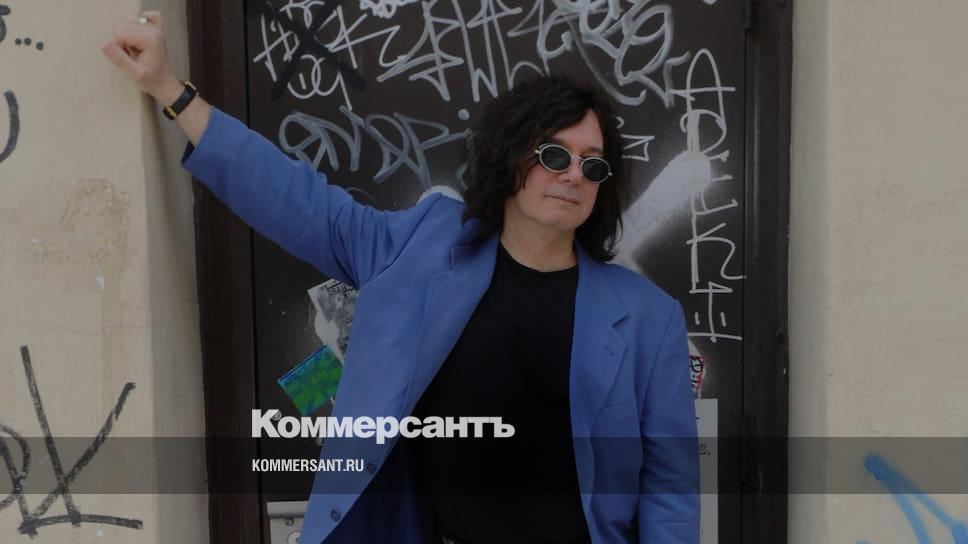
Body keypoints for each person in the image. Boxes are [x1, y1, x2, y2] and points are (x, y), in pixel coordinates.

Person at [102, 10, 700, 544]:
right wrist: (171, 90)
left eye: (591, 165)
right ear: (510, 155)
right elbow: (295, 200)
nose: (572, 175)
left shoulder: (648, 318)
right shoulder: (419, 249)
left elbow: (670, 487)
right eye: (554, 155)